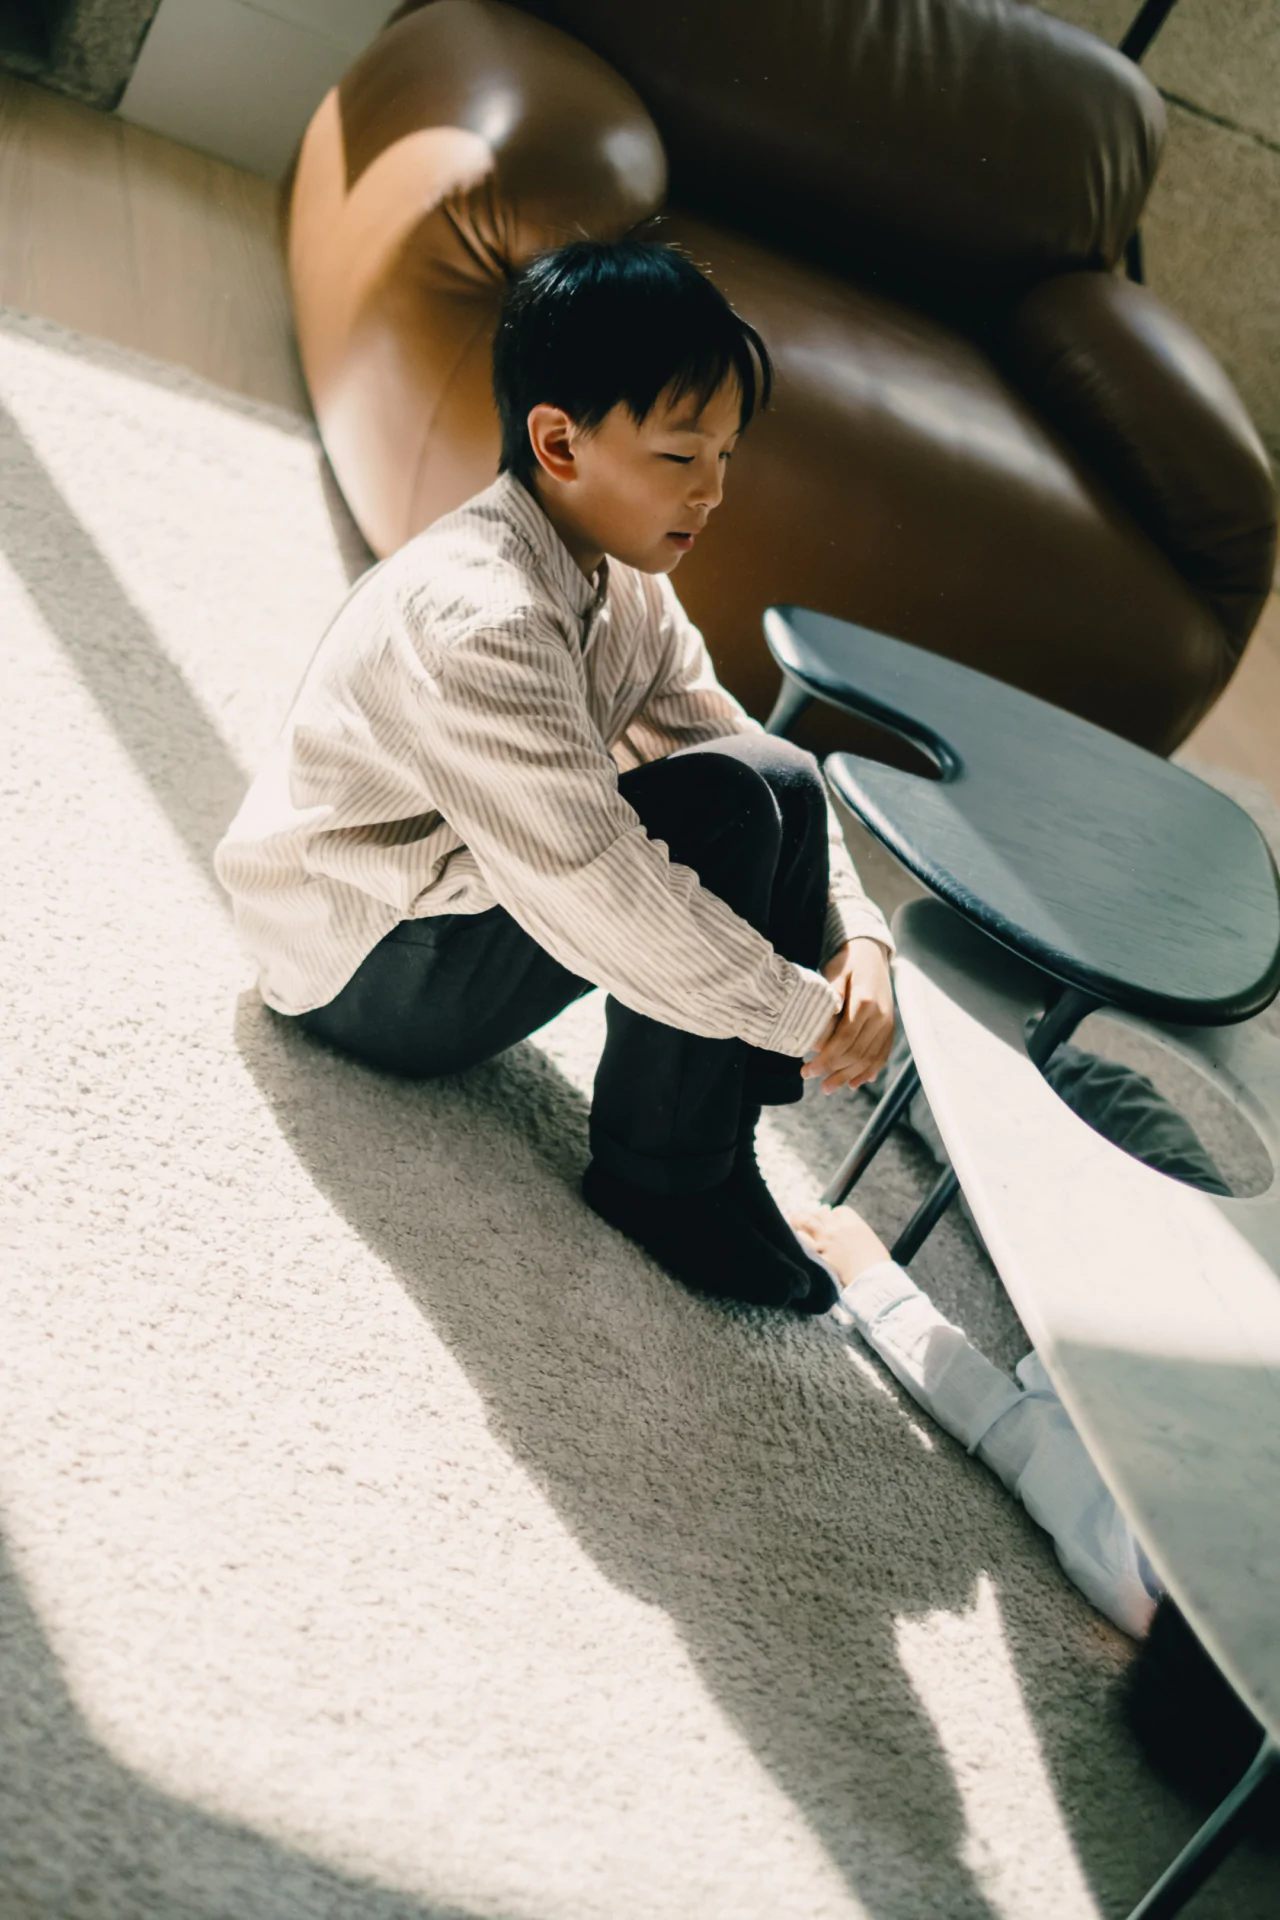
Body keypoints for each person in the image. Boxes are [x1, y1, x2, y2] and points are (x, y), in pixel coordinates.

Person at [214, 236, 896, 1312]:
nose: (713, 491)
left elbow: (731, 743)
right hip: (363, 969)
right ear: (558, 443)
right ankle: (659, 1180)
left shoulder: (616, 578)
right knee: (718, 815)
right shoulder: (483, 619)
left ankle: (718, 1153)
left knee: (769, 776)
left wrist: (856, 936)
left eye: (725, 454)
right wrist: (800, 1013)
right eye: (681, 457)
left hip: (450, 915)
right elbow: (597, 889)